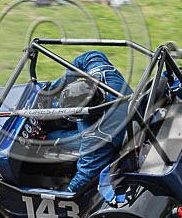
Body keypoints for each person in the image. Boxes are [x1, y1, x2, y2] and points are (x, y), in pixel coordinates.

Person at [44, 51, 133, 193]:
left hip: (118, 136)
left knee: (48, 141)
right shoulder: (106, 75)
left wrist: (65, 194)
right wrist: (59, 86)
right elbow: (91, 55)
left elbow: (84, 177)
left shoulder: (95, 138)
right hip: (129, 116)